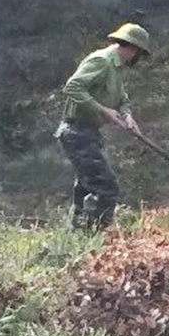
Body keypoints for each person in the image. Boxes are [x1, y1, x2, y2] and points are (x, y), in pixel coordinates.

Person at [55, 23, 150, 230]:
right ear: (133, 49)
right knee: (106, 187)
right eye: (139, 54)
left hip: (88, 133)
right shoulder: (102, 60)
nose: (137, 59)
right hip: (76, 131)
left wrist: (127, 116)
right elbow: (72, 87)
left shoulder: (116, 68)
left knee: (85, 186)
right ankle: (94, 234)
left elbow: (122, 98)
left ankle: (79, 234)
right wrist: (103, 110)